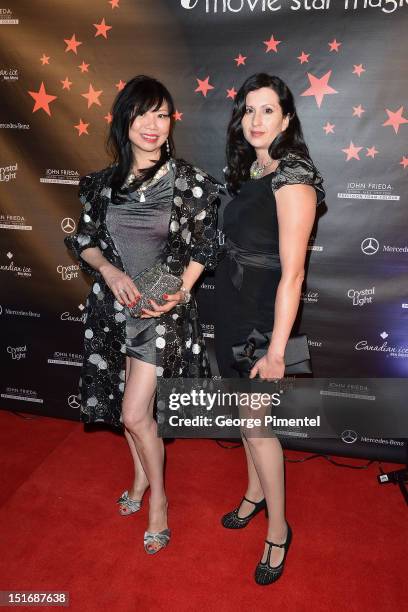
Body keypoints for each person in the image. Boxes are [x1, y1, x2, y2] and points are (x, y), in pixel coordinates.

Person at [65, 75, 220, 554]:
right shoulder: (101, 185)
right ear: (124, 119)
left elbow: (206, 243)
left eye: (162, 114)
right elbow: (84, 241)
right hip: (115, 313)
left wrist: (184, 290)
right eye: (143, 113)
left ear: (171, 121)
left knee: (135, 412)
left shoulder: (188, 183)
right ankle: (138, 481)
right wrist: (109, 271)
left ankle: (160, 503)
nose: (152, 125)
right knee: (128, 412)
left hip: (158, 310)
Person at [214, 73, 325, 585]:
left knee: (259, 429)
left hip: (262, 321)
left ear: (286, 118)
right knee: (244, 421)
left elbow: (294, 272)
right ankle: (255, 494)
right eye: (248, 110)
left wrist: (277, 350)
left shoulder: (293, 176)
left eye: (267, 110)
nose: (255, 120)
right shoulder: (254, 170)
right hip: (232, 308)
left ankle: (278, 531)